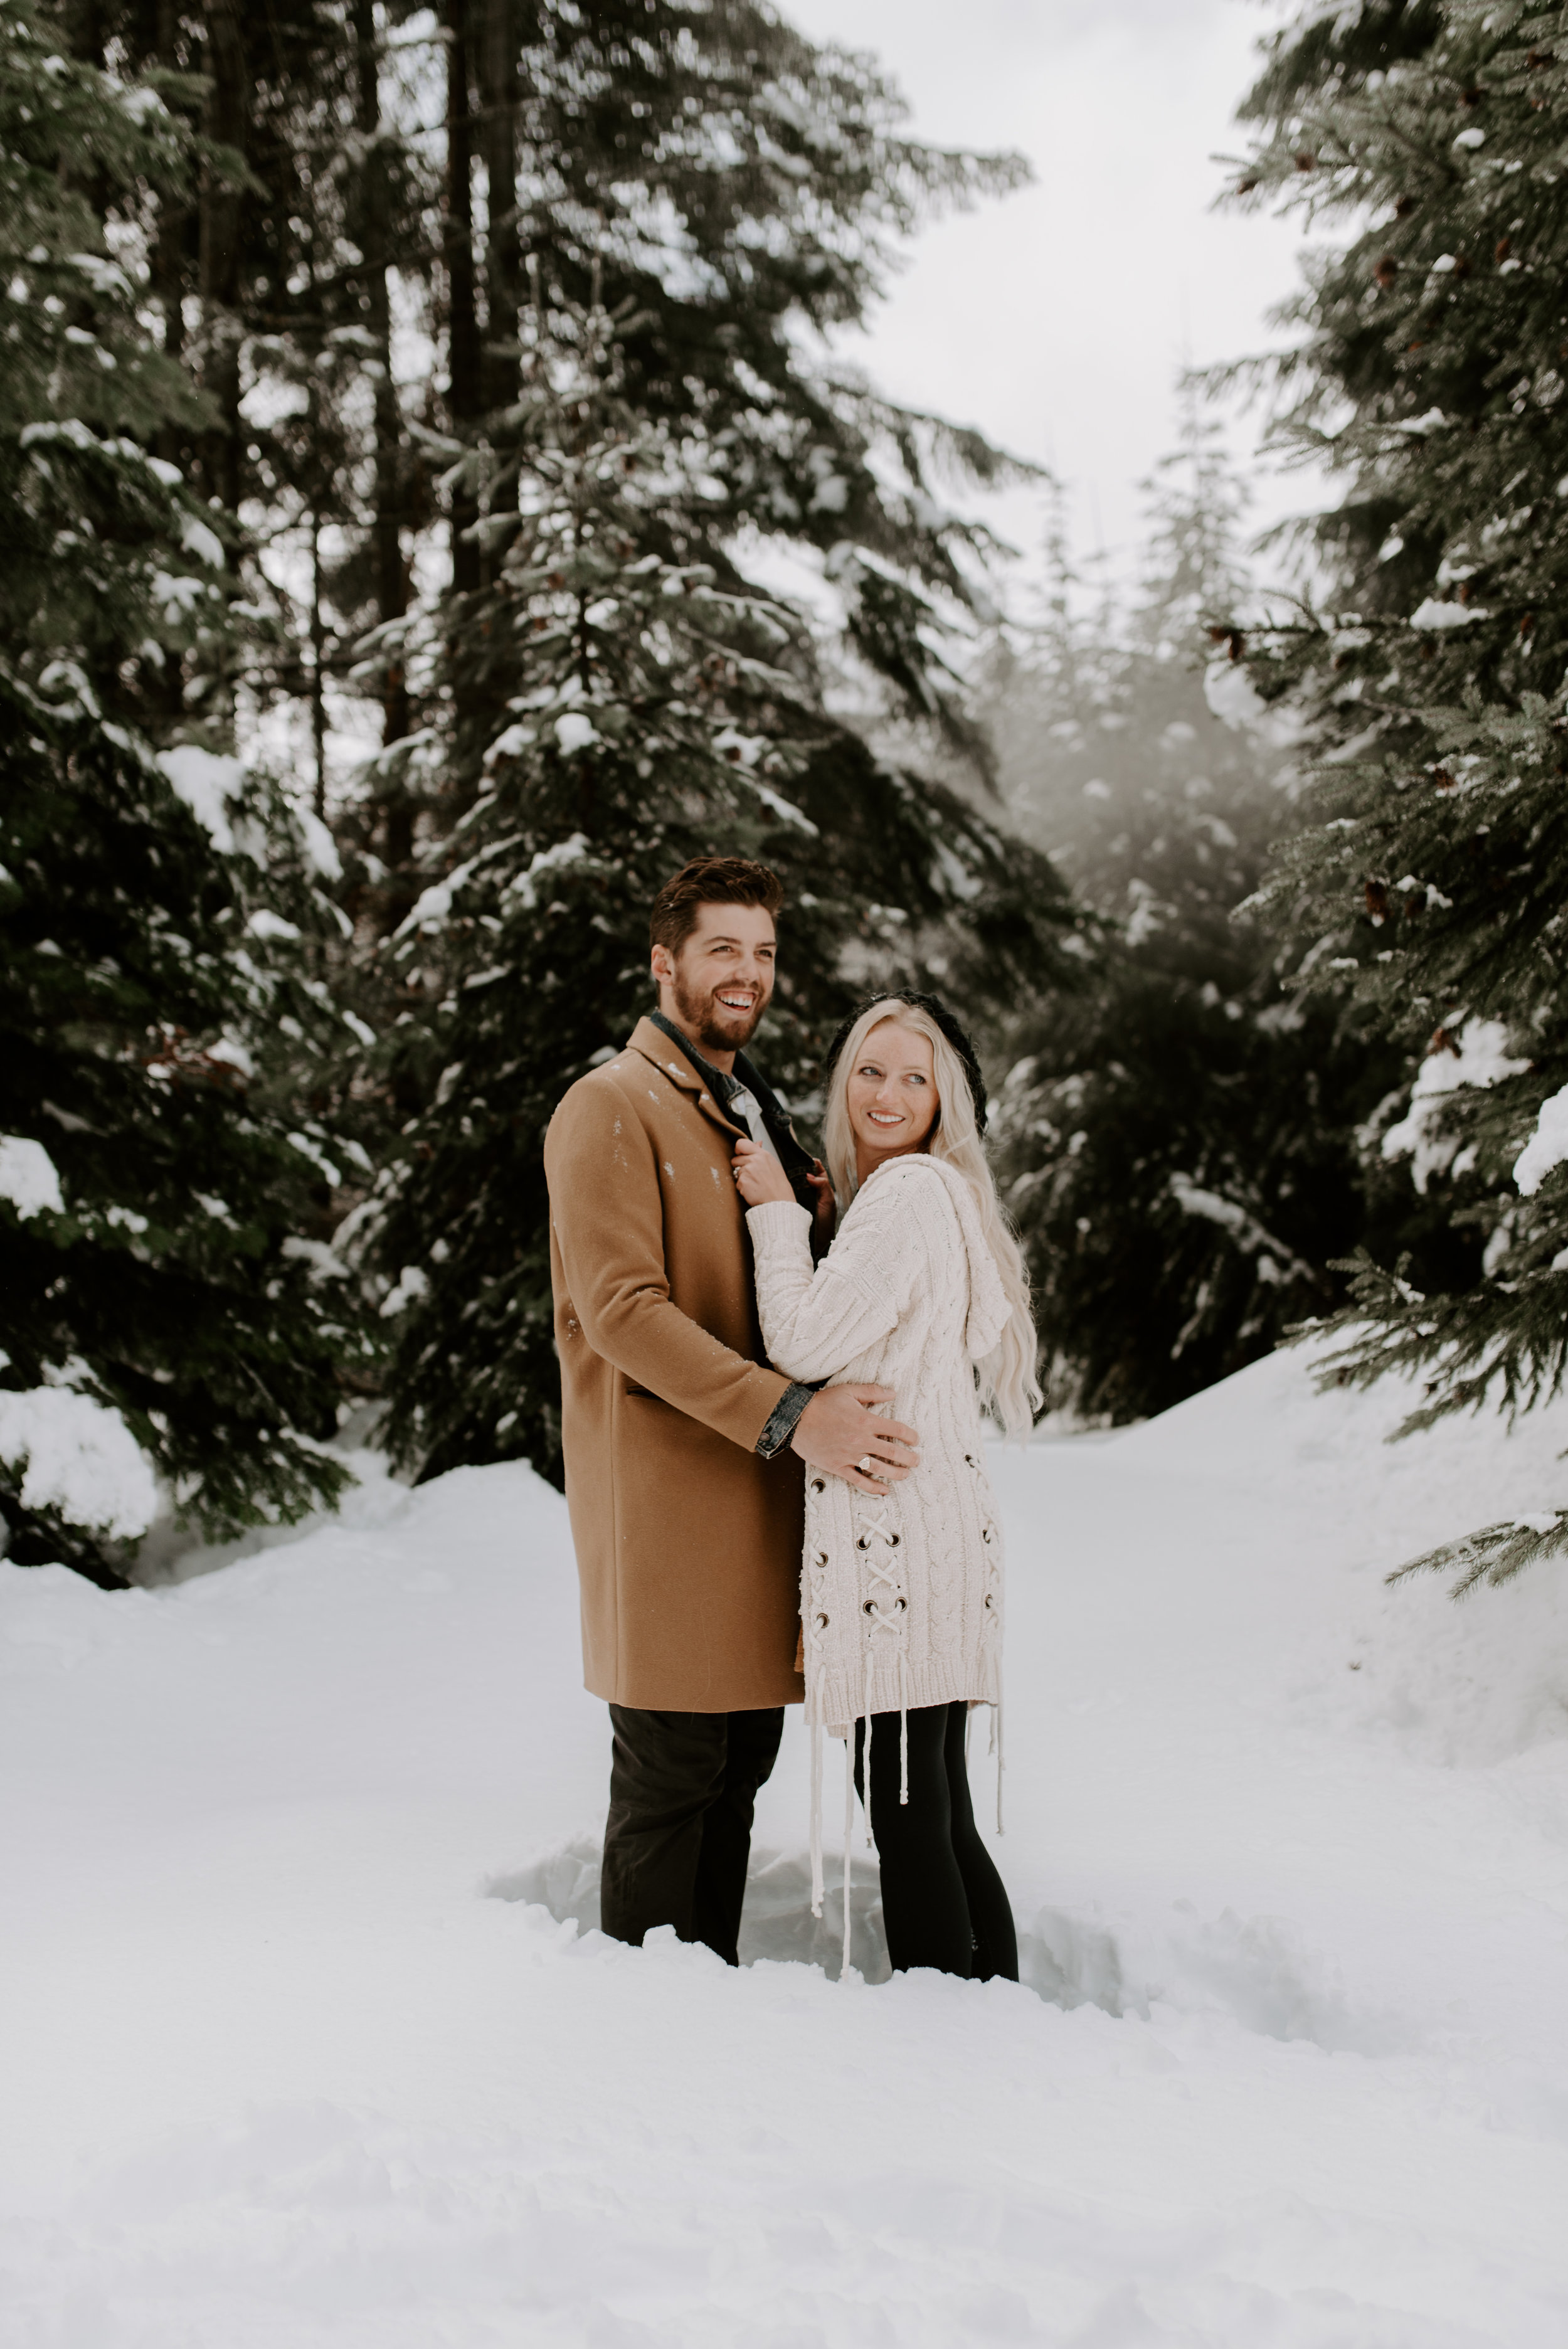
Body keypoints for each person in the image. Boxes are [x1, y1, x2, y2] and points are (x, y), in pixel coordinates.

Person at [543, 859, 921, 1965]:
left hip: (758, 1514)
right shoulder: (609, 1105)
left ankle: (706, 2034)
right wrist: (795, 1413)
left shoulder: (746, 1106)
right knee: (670, 1780)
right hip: (667, 1512)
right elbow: (623, 1313)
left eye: (762, 952)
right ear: (666, 964)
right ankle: (641, 2038)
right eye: (722, 950)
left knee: (736, 1771)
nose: (747, 974)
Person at [733, 992, 1040, 1981]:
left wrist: (777, 1215)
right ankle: (994, 2011)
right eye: (871, 1069)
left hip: (897, 1538)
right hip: (937, 1527)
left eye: (916, 1076)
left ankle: (947, 2040)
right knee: (933, 1803)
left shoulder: (906, 1192)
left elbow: (803, 1341)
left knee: (908, 1809)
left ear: (946, 1097)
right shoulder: (927, 1196)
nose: (889, 1092)